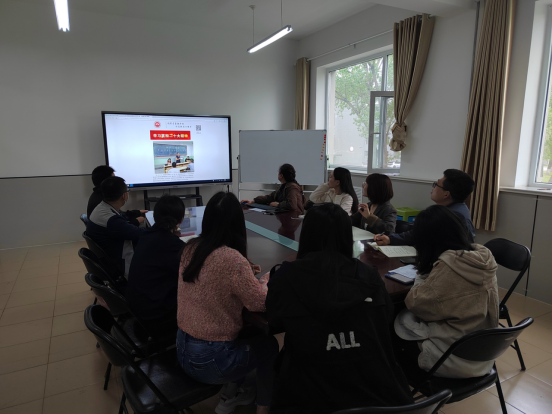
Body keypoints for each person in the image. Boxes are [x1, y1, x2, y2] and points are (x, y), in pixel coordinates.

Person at [266, 203, 413, 414]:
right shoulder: (368, 275)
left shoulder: (286, 276)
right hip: (379, 396)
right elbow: (386, 315)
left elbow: (275, 321)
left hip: (308, 396)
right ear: (346, 236)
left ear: (306, 235)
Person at [176, 192, 279, 414]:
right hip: (209, 361)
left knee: (247, 333)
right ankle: (263, 409)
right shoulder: (231, 259)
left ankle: (231, 393)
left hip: (182, 349)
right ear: (237, 223)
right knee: (269, 346)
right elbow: (260, 303)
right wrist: (267, 279)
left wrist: (244, 272)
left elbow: (212, 278)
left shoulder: (191, 248)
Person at [393, 205, 498, 379]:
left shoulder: (448, 268)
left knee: (395, 319)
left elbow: (415, 304)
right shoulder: (482, 258)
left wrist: (422, 274)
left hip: (449, 360)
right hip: (484, 356)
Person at [126, 195, 185, 336]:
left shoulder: (146, 235)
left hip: (138, 310)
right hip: (157, 319)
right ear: (181, 220)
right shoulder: (173, 246)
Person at [375, 169, 475, 246]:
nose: (433, 188)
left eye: (436, 185)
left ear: (446, 194)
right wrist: (390, 239)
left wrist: (391, 239)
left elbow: (420, 236)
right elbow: (419, 233)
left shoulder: (451, 217)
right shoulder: (457, 209)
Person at [87, 176, 146, 276]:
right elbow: (139, 234)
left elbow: (122, 218)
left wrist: (137, 213)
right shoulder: (111, 220)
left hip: (109, 257)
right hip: (121, 264)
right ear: (124, 195)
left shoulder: (102, 207)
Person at [240, 164, 306, 214]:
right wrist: (253, 201)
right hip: (285, 216)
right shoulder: (282, 186)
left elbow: (292, 204)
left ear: (281, 175)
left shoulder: (292, 187)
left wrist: (278, 204)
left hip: (293, 218)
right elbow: (269, 197)